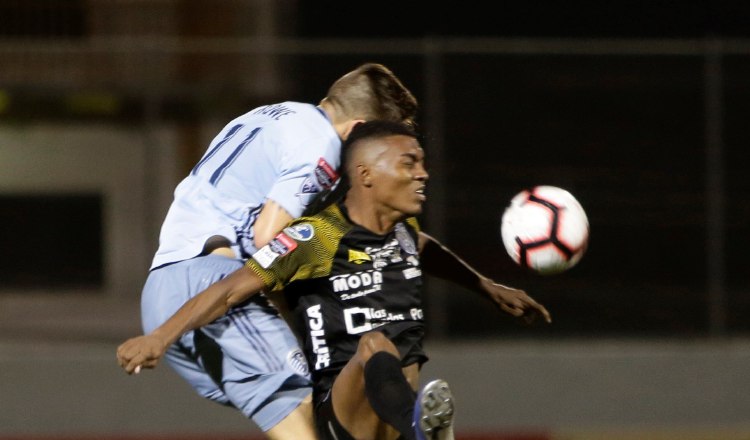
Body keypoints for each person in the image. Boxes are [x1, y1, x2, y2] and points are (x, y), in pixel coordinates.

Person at [118, 121, 552, 440]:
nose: (423, 173)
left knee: (387, 354)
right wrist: (159, 337)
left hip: (394, 420)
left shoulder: (404, 232)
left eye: (422, 162)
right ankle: (425, 428)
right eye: (409, 163)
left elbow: (428, 250)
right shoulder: (315, 237)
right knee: (374, 345)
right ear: (366, 175)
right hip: (345, 418)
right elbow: (227, 290)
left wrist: (487, 287)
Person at [138, 63, 419, 439]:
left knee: (306, 413)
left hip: (165, 290)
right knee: (304, 407)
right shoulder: (321, 146)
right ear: (357, 131)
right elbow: (267, 237)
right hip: (212, 284)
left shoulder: (275, 114)